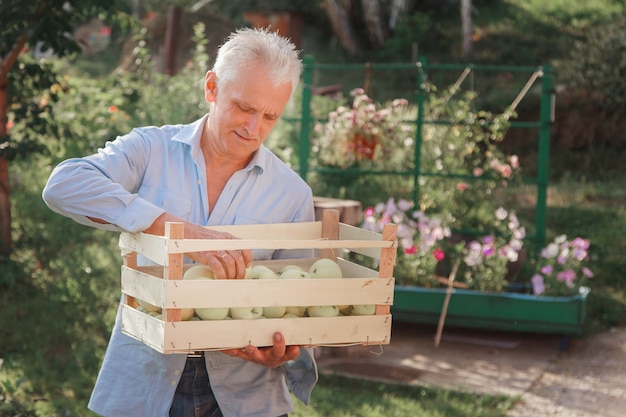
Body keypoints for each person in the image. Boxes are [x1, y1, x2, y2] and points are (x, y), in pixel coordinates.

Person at [42, 27, 317, 417]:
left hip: (246, 398)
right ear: (211, 88)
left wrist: (282, 351)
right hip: (144, 384)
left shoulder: (292, 193)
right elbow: (63, 185)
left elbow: (299, 306)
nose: (253, 129)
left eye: (269, 116)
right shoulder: (151, 149)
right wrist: (178, 230)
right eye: (243, 107)